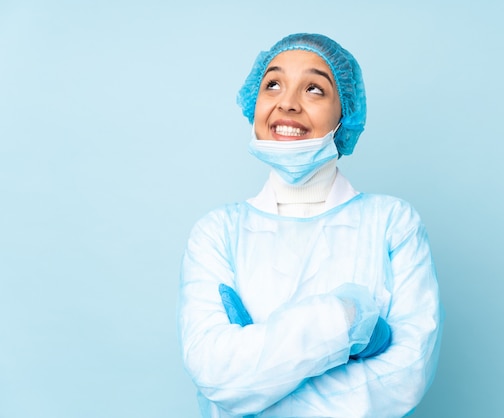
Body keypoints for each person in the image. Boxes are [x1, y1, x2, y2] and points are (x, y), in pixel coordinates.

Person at [178, 33, 443, 417]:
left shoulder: (392, 224)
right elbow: (216, 375)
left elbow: (407, 376)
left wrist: (258, 379)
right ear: (255, 102)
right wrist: (347, 317)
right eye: (272, 84)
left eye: (315, 89)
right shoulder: (217, 232)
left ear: (344, 114)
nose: (287, 102)